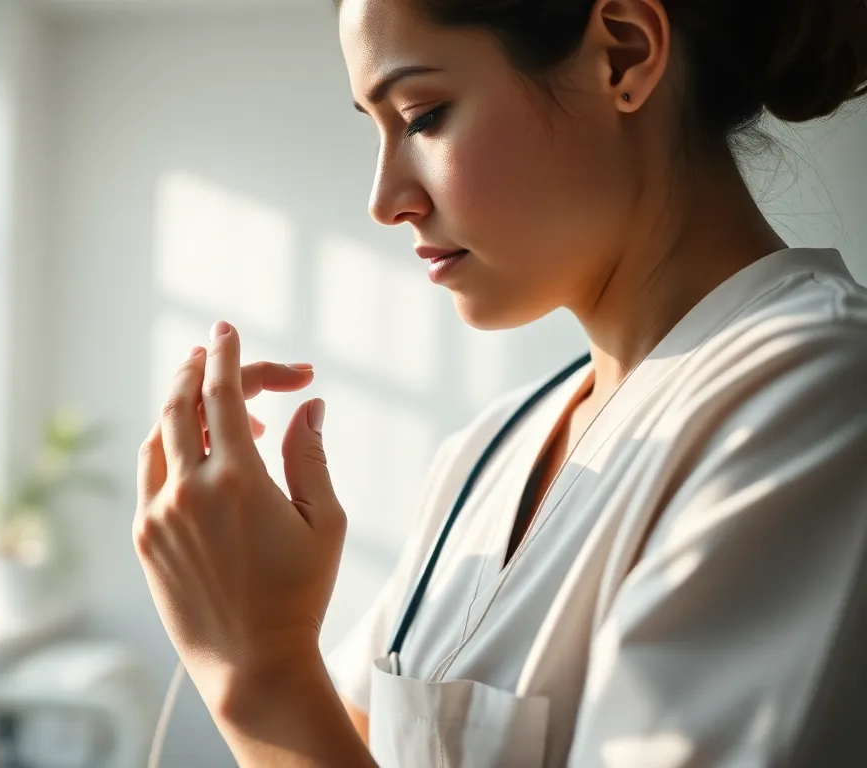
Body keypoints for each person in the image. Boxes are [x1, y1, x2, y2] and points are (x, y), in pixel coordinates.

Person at [131, 0, 867, 764]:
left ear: (622, 54)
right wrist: (250, 623)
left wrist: (260, 668)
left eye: (423, 117)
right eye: (375, 128)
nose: (384, 202)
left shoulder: (816, 395)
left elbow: (286, 711)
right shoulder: (487, 451)